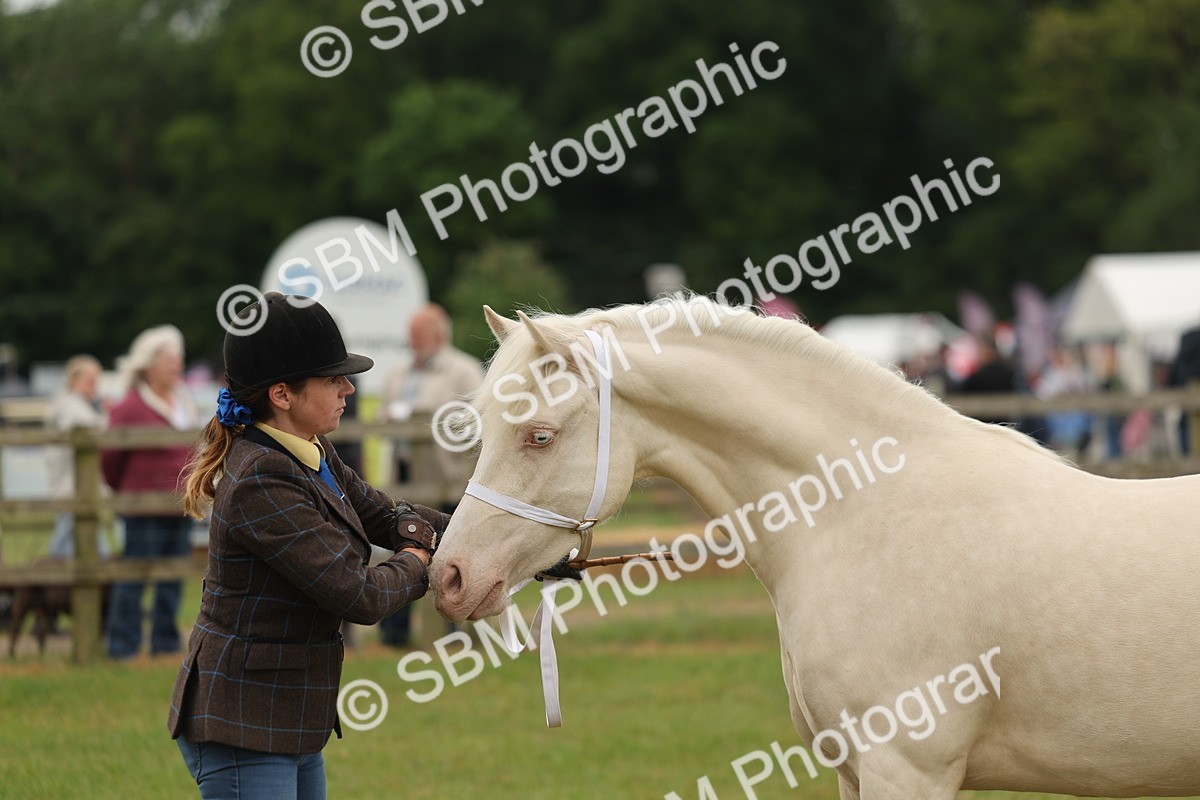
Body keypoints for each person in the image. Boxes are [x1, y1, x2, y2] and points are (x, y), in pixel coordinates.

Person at [170, 292, 448, 798]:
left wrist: (500, 538)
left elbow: (386, 515)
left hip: (286, 716)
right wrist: (419, 561)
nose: (348, 388)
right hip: (244, 724)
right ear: (282, 394)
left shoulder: (310, 452)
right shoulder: (261, 477)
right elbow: (357, 595)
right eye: (332, 379)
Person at [378, 304, 483, 646]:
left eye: (418, 335)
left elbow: (473, 424)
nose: (412, 342)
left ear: (438, 335)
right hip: (404, 476)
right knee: (400, 550)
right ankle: (395, 634)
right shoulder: (398, 374)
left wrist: (425, 420)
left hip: (449, 478)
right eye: (410, 336)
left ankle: (455, 633)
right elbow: (380, 417)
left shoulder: (464, 372)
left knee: (453, 556)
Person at [102, 325, 200, 659]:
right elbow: (110, 458)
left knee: (171, 579)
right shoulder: (129, 405)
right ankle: (123, 646)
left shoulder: (184, 399)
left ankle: (165, 643)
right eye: (169, 359)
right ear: (148, 364)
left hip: (180, 504)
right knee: (135, 577)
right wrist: (129, 492)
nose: (176, 365)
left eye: (178, 358)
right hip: (142, 507)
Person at [46, 354, 108, 557]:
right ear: (74, 380)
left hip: (75, 487)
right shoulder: (69, 405)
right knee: (67, 541)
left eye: (96, 380)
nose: (94, 386)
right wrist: (110, 419)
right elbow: (87, 428)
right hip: (71, 486)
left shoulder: (75, 404)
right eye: (89, 380)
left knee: (70, 540)